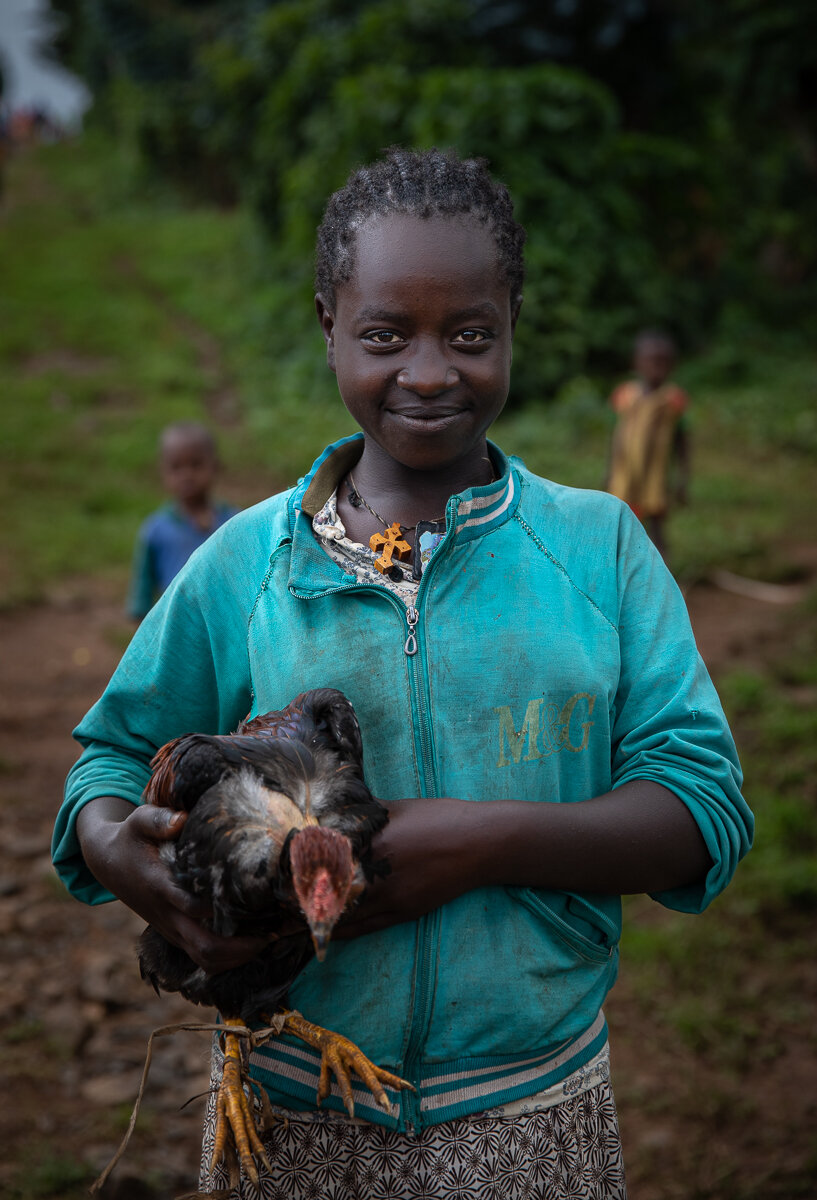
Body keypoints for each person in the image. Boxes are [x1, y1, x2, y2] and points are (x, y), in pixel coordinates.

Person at [53, 150, 752, 1200]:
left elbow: (702, 808)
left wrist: (478, 842)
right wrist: (126, 855)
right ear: (329, 322)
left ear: (513, 321)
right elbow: (103, 763)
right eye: (385, 335)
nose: (429, 372)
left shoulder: (599, 549)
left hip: (533, 1108)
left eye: (470, 335)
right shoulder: (248, 563)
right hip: (288, 1113)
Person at [126, 421, 237, 621]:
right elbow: (142, 593)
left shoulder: (234, 523)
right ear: (163, 472)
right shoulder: (156, 530)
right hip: (178, 627)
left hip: (226, 624)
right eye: (176, 467)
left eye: (196, 464)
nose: (187, 475)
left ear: (216, 466)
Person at [606, 329, 690, 561]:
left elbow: (682, 442)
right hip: (625, 474)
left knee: (656, 528)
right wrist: (609, 472)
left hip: (655, 477)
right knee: (623, 524)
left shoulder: (672, 401)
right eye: (651, 362)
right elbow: (615, 438)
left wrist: (682, 479)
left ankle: (662, 576)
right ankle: (625, 574)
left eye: (663, 363)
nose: (657, 369)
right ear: (637, 363)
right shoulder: (625, 396)